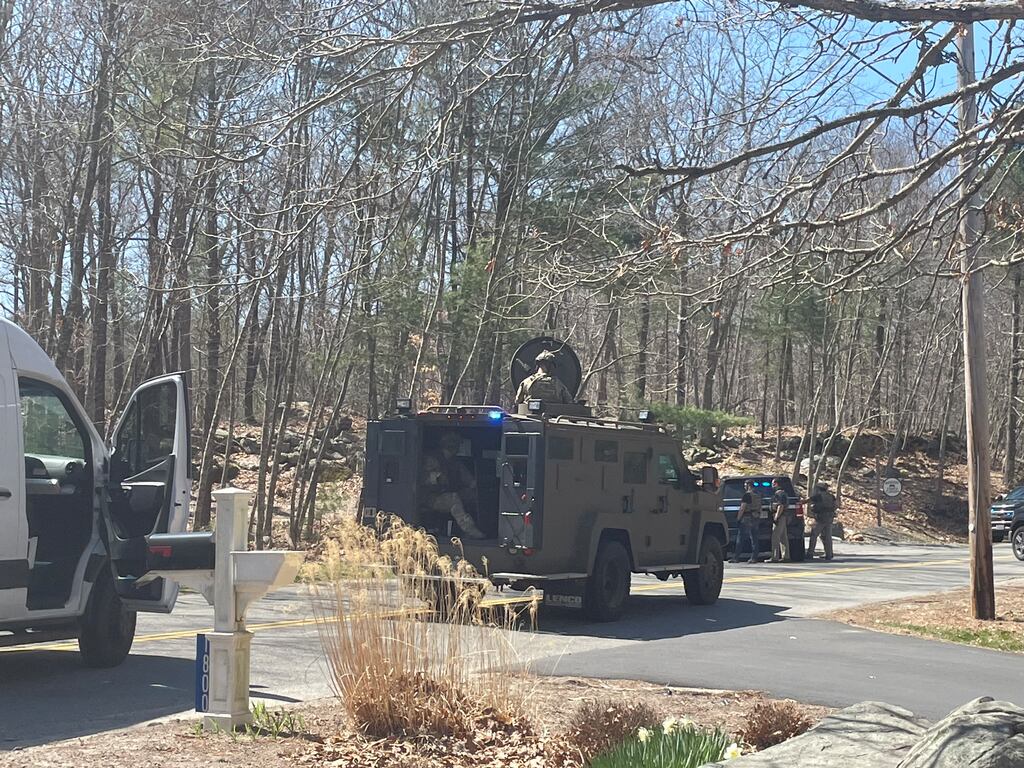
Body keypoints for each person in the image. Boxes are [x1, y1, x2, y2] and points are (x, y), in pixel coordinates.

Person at [421, 431, 485, 540]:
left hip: (448, 493)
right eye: (456, 444)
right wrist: (437, 477)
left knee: (473, 495)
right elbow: (423, 478)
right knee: (453, 499)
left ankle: (482, 526)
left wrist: (475, 486)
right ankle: (469, 529)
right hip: (431, 498)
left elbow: (469, 480)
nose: (458, 448)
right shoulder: (432, 459)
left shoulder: (455, 463)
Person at [731, 480, 761, 564]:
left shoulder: (747, 495)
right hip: (756, 517)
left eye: (745, 485)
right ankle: (754, 557)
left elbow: (742, 508)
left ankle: (736, 557)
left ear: (748, 485)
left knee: (740, 537)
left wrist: (738, 518)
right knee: (754, 538)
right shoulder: (758, 495)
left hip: (747, 518)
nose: (744, 487)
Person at [806, 481, 837, 560]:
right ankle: (829, 554)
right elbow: (835, 505)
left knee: (814, 536)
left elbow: (807, 500)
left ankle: (810, 553)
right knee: (827, 537)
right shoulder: (831, 496)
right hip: (829, 518)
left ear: (818, 489)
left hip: (820, 519)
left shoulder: (818, 496)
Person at [769, 478, 791, 562]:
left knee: (775, 537)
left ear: (776, 484)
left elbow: (780, 506)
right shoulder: (783, 493)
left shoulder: (780, 494)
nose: (772, 485)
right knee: (783, 537)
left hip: (780, 517)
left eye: (773, 483)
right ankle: (786, 556)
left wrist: (776, 517)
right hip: (783, 517)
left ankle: (774, 557)